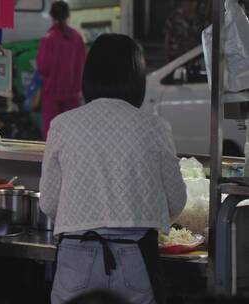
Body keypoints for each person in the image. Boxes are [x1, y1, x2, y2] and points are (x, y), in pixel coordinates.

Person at [40, 34, 187, 304]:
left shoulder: (62, 124)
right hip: (135, 258)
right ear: (137, 77)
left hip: (76, 256)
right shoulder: (154, 127)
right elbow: (176, 201)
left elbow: (49, 204)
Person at [36, 1, 86, 139]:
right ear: (68, 16)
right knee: (71, 134)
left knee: (51, 135)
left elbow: (42, 67)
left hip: (51, 94)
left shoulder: (48, 38)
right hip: (72, 94)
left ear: (52, 16)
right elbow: (82, 63)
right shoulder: (77, 37)